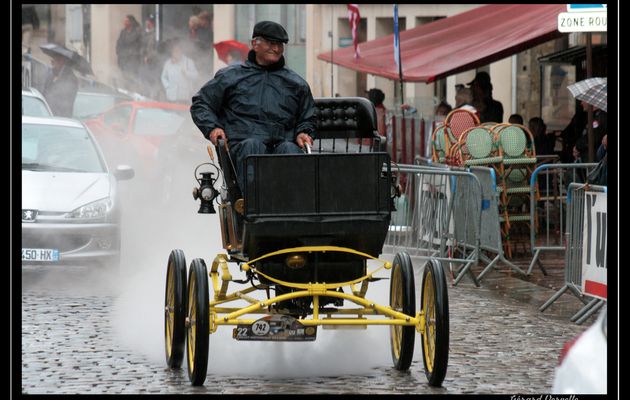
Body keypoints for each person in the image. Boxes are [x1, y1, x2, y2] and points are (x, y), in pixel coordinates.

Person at [190, 21, 316, 192]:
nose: (276, 49)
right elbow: (201, 103)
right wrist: (213, 128)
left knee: (290, 150)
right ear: (255, 44)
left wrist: (304, 131)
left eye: (280, 44)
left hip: (281, 143)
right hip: (242, 145)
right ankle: (253, 207)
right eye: (271, 43)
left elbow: (307, 117)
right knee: (253, 147)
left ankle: (289, 208)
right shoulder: (231, 76)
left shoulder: (296, 83)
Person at [42, 53, 78, 117]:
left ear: (61, 61)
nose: (52, 64)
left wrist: (56, 82)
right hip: (49, 113)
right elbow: (45, 92)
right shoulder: (52, 75)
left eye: (53, 61)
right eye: (51, 61)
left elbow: (67, 97)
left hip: (62, 115)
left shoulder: (70, 77)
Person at [116, 15, 143, 92]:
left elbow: (141, 45)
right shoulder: (123, 32)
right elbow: (119, 44)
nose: (124, 23)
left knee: (133, 80)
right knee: (125, 81)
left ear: (131, 22)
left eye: (126, 21)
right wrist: (119, 54)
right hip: (124, 61)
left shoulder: (138, 32)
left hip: (134, 61)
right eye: (124, 21)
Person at [140, 15, 160, 99]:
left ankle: (153, 96)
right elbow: (143, 46)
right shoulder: (146, 33)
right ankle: (147, 95)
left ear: (151, 23)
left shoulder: (156, 34)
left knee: (152, 79)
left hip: (153, 62)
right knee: (145, 78)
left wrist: (149, 57)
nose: (146, 23)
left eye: (148, 21)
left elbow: (156, 49)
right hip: (145, 61)